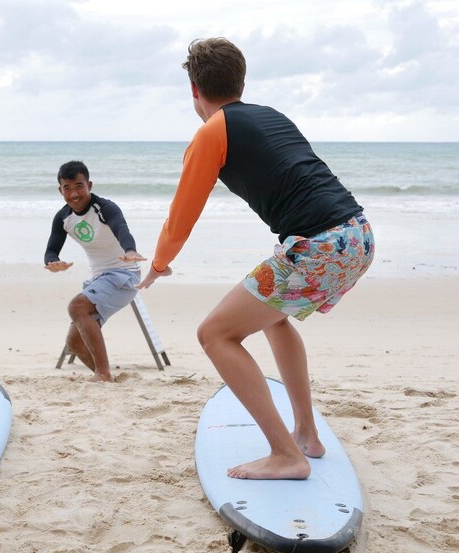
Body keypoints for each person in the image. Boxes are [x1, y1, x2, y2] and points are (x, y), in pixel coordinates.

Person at [137, 38, 375, 480]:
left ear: (194, 89)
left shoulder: (212, 132)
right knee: (273, 317)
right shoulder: (272, 116)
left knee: (215, 334)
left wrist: (157, 265)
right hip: (356, 234)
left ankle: (287, 455)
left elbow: (182, 215)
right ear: (240, 81)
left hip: (318, 245)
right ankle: (306, 433)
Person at [44, 160, 146, 383]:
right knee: (74, 343)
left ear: (89, 184)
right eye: (67, 188)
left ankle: (103, 373)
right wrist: (53, 263)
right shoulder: (63, 218)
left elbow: (122, 229)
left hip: (124, 274)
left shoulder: (105, 208)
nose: (74, 193)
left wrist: (130, 250)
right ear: (60, 190)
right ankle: (107, 380)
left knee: (76, 306)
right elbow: (51, 250)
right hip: (99, 279)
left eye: (79, 186)